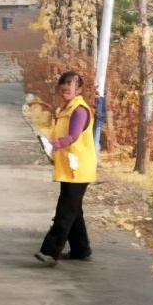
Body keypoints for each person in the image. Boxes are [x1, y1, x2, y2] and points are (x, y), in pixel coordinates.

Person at [35, 71, 96, 265]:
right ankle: (81, 249)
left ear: (78, 89)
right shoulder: (65, 109)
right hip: (69, 168)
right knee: (74, 210)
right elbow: (56, 131)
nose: (65, 91)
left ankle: (49, 252)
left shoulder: (80, 110)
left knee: (65, 212)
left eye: (69, 88)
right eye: (62, 88)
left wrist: (54, 145)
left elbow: (73, 137)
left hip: (79, 169)